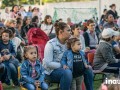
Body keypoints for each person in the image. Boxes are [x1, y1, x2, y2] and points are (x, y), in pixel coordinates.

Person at [43, 22, 72, 90]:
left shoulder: (70, 43)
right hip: (50, 72)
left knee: (87, 69)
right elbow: (48, 63)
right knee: (67, 72)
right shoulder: (50, 44)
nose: (71, 32)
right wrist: (63, 65)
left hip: (66, 69)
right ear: (61, 32)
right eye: (68, 30)